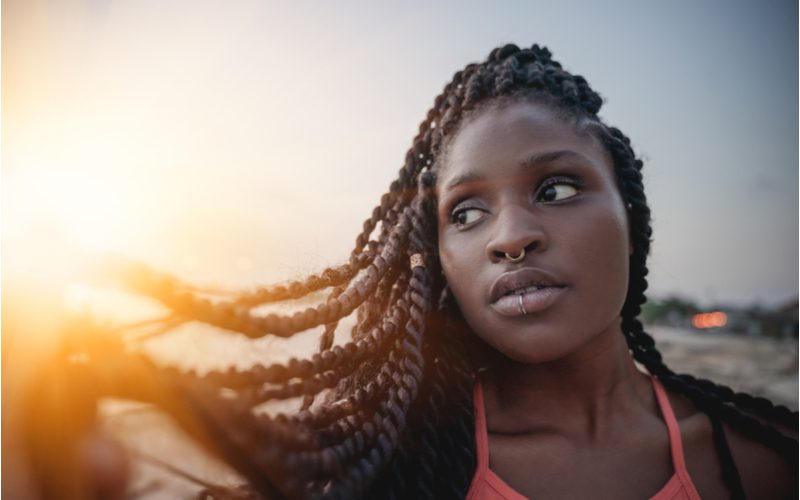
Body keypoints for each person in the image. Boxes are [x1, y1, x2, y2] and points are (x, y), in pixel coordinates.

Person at [22, 43, 797, 499]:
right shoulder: (396, 468)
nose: (512, 237)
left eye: (556, 189)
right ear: (439, 262)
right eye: (466, 213)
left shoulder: (757, 462)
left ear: (631, 217)